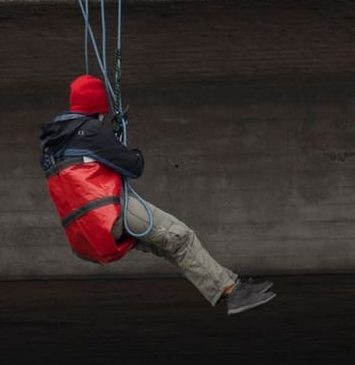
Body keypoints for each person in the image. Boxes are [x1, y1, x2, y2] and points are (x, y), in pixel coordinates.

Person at [41, 75, 275, 316]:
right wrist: (124, 144)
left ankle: (229, 285)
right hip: (108, 213)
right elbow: (133, 166)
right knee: (181, 236)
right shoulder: (90, 131)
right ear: (97, 107)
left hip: (85, 232)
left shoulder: (56, 141)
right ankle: (233, 293)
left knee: (170, 246)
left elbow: (85, 171)